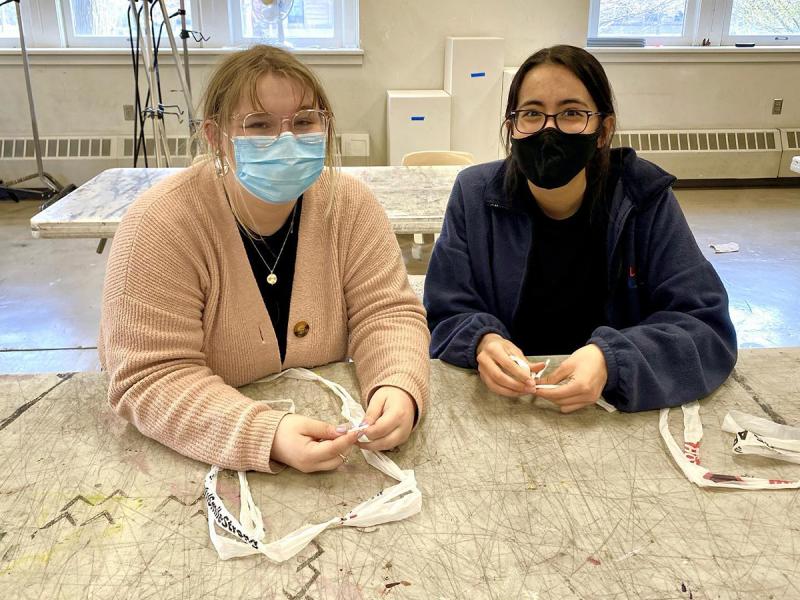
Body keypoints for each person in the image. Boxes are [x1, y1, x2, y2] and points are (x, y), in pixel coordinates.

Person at [99, 45, 429, 473]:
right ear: (216, 137)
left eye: (305, 121)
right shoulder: (159, 225)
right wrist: (264, 433)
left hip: (334, 450)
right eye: (259, 125)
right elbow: (150, 376)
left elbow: (387, 313)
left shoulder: (350, 205)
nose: (287, 140)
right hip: (195, 468)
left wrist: (398, 384)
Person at [424, 45, 736, 413]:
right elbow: (445, 310)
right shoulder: (475, 195)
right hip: (509, 404)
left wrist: (612, 361)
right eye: (532, 113)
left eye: (572, 113)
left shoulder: (643, 198)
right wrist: (481, 340)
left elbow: (705, 326)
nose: (549, 129)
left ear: (603, 130)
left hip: (611, 409)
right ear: (512, 128)